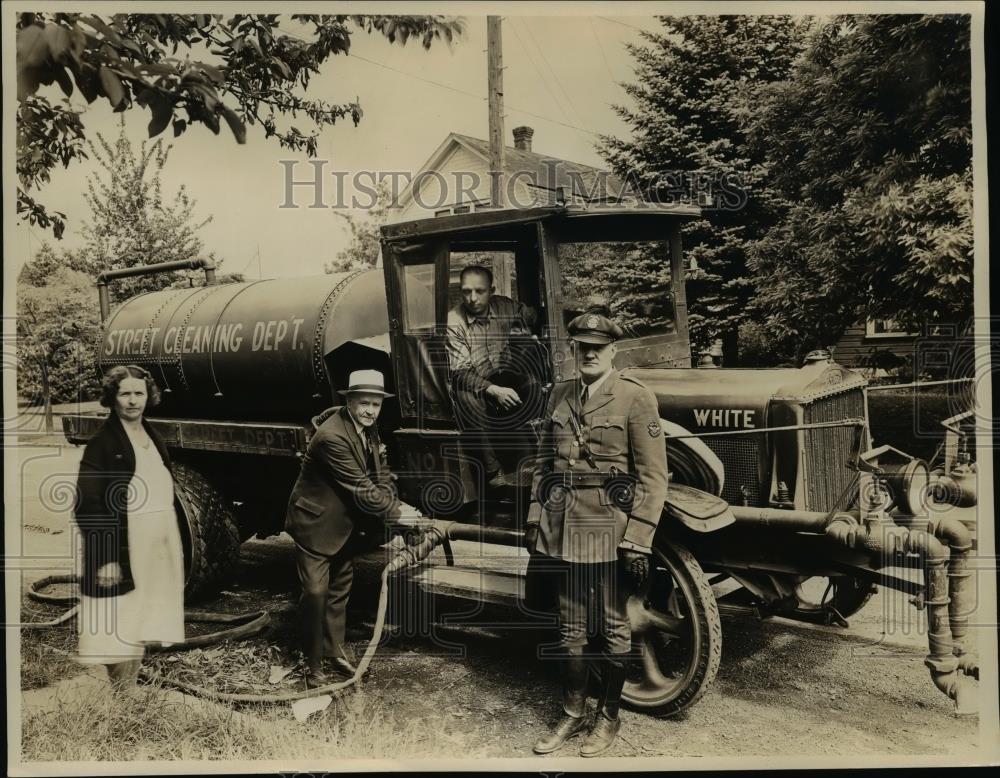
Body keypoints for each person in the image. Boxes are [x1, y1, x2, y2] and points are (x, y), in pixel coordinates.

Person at [524, 312, 668, 757]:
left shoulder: (635, 397)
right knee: (569, 629)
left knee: (611, 628)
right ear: (573, 349)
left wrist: (639, 536)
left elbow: (653, 476)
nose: (587, 353)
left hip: (607, 525)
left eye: (597, 348)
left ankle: (608, 717)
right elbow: (544, 464)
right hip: (562, 524)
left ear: (613, 351)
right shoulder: (560, 394)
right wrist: (535, 518)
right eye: (581, 346)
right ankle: (572, 712)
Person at [285, 369, 401, 687]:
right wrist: (400, 515)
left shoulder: (368, 427)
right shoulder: (332, 437)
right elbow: (362, 488)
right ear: (348, 400)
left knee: (338, 590)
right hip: (314, 524)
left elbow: (381, 474)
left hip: (342, 525)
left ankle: (332, 653)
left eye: (375, 405)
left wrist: (396, 502)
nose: (370, 410)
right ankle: (312, 666)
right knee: (316, 593)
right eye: (363, 403)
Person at [74, 365, 185, 693]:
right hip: (125, 544)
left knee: (141, 618)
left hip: (156, 543)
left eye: (139, 393)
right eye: (125, 394)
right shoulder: (103, 444)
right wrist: (108, 557)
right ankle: (123, 695)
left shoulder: (150, 434)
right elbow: (89, 504)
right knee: (119, 620)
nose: (133, 401)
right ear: (112, 398)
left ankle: (130, 691)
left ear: (149, 396)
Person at [445, 264, 542, 488]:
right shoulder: (453, 322)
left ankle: (537, 455)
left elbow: (531, 315)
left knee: (532, 382)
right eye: (466, 291)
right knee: (466, 397)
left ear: (492, 290)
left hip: (502, 373)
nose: (472, 298)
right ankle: (493, 470)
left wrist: (525, 326)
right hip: (473, 381)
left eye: (479, 291)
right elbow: (460, 372)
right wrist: (493, 390)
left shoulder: (506, 306)